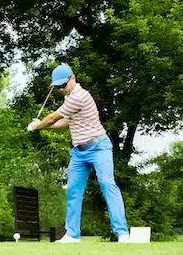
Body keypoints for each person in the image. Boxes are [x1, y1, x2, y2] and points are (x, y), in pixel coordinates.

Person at [27, 63, 130, 243]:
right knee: (73, 192)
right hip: (79, 152)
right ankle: (72, 235)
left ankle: (122, 233)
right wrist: (42, 126)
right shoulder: (69, 98)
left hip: (99, 147)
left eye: (63, 85)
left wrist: (38, 125)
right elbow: (65, 123)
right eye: (57, 86)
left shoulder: (80, 96)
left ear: (72, 78)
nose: (60, 89)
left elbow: (53, 117)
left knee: (107, 184)